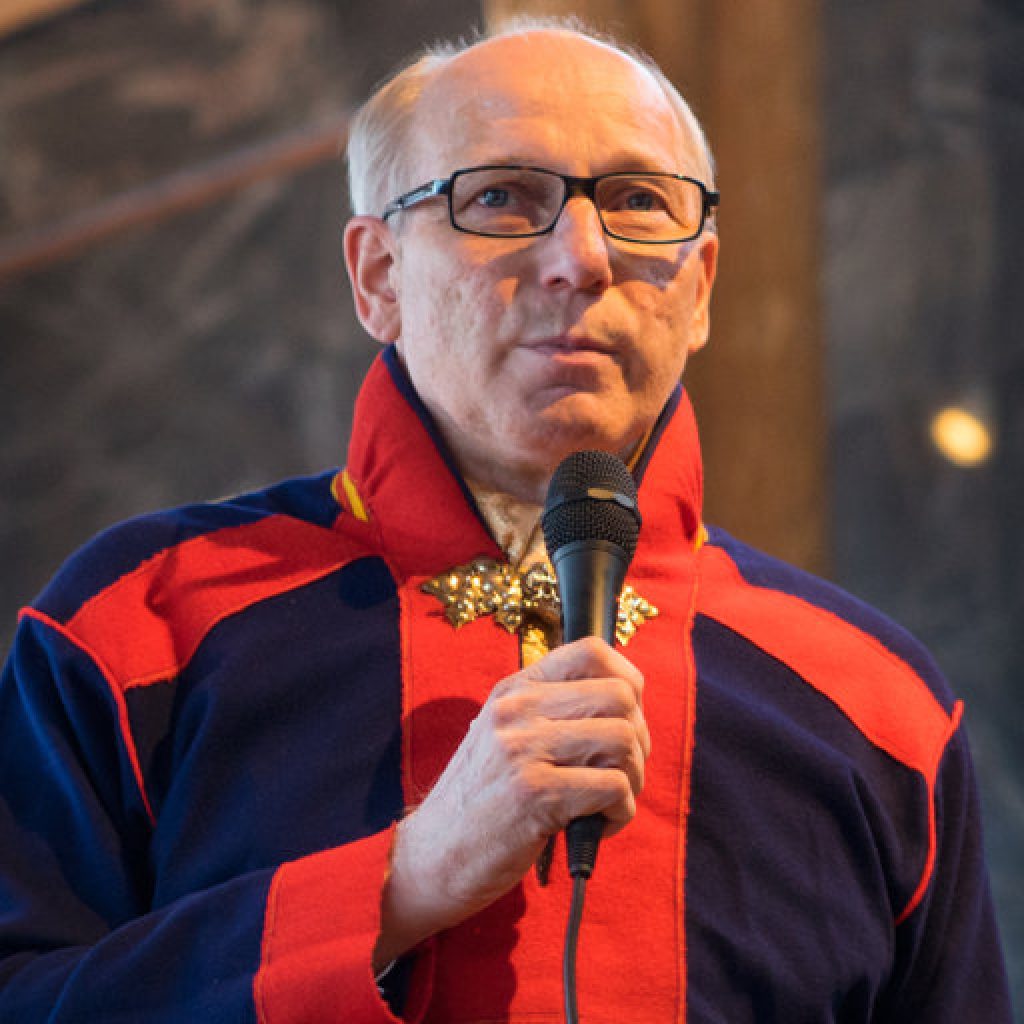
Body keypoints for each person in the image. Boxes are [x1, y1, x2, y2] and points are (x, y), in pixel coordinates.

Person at [0, 19, 1012, 1023]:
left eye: (636, 202)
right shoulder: (142, 624)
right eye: (499, 198)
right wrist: (399, 886)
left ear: (699, 287)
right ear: (378, 276)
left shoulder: (877, 702)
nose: (580, 257)